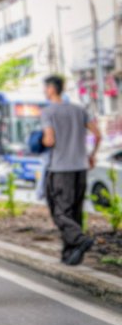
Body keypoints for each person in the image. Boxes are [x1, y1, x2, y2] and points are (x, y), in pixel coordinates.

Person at [41, 74, 101, 265]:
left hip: (60, 169)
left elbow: (49, 140)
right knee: (75, 212)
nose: (45, 91)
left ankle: (80, 240)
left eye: (46, 88)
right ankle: (71, 255)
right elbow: (98, 135)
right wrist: (91, 155)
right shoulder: (79, 110)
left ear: (52, 89)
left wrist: (40, 140)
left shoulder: (48, 112)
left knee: (59, 212)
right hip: (80, 167)